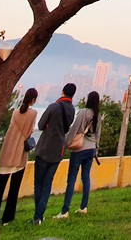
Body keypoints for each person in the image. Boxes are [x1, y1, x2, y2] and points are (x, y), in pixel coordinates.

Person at [0, 87, 37, 225]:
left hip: (7, 152)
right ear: (33, 100)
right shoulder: (33, 113)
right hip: (19, 154)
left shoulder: (15, 112)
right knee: (13, 190)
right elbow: (30, 131)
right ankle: (7, 218)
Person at [32, 82, 76, 225]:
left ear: (62, 91)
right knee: (47, 183)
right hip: (58, 151)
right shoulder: (72, 109)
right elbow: (66, 128)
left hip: (45, 148)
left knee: (38, 183)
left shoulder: (54, 106)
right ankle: (40, 215)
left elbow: (40, 125)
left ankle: (38, 216)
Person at [56, 91, 102, 219]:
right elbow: (98, 134)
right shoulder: (98, 116)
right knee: (86, 177)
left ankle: (65, 211)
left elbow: (74, 129)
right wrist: (96, 149)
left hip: (79, 149)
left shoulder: (83, 112)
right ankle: (84, 206)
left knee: (71, 180)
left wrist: (66, 144)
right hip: (91, 149)